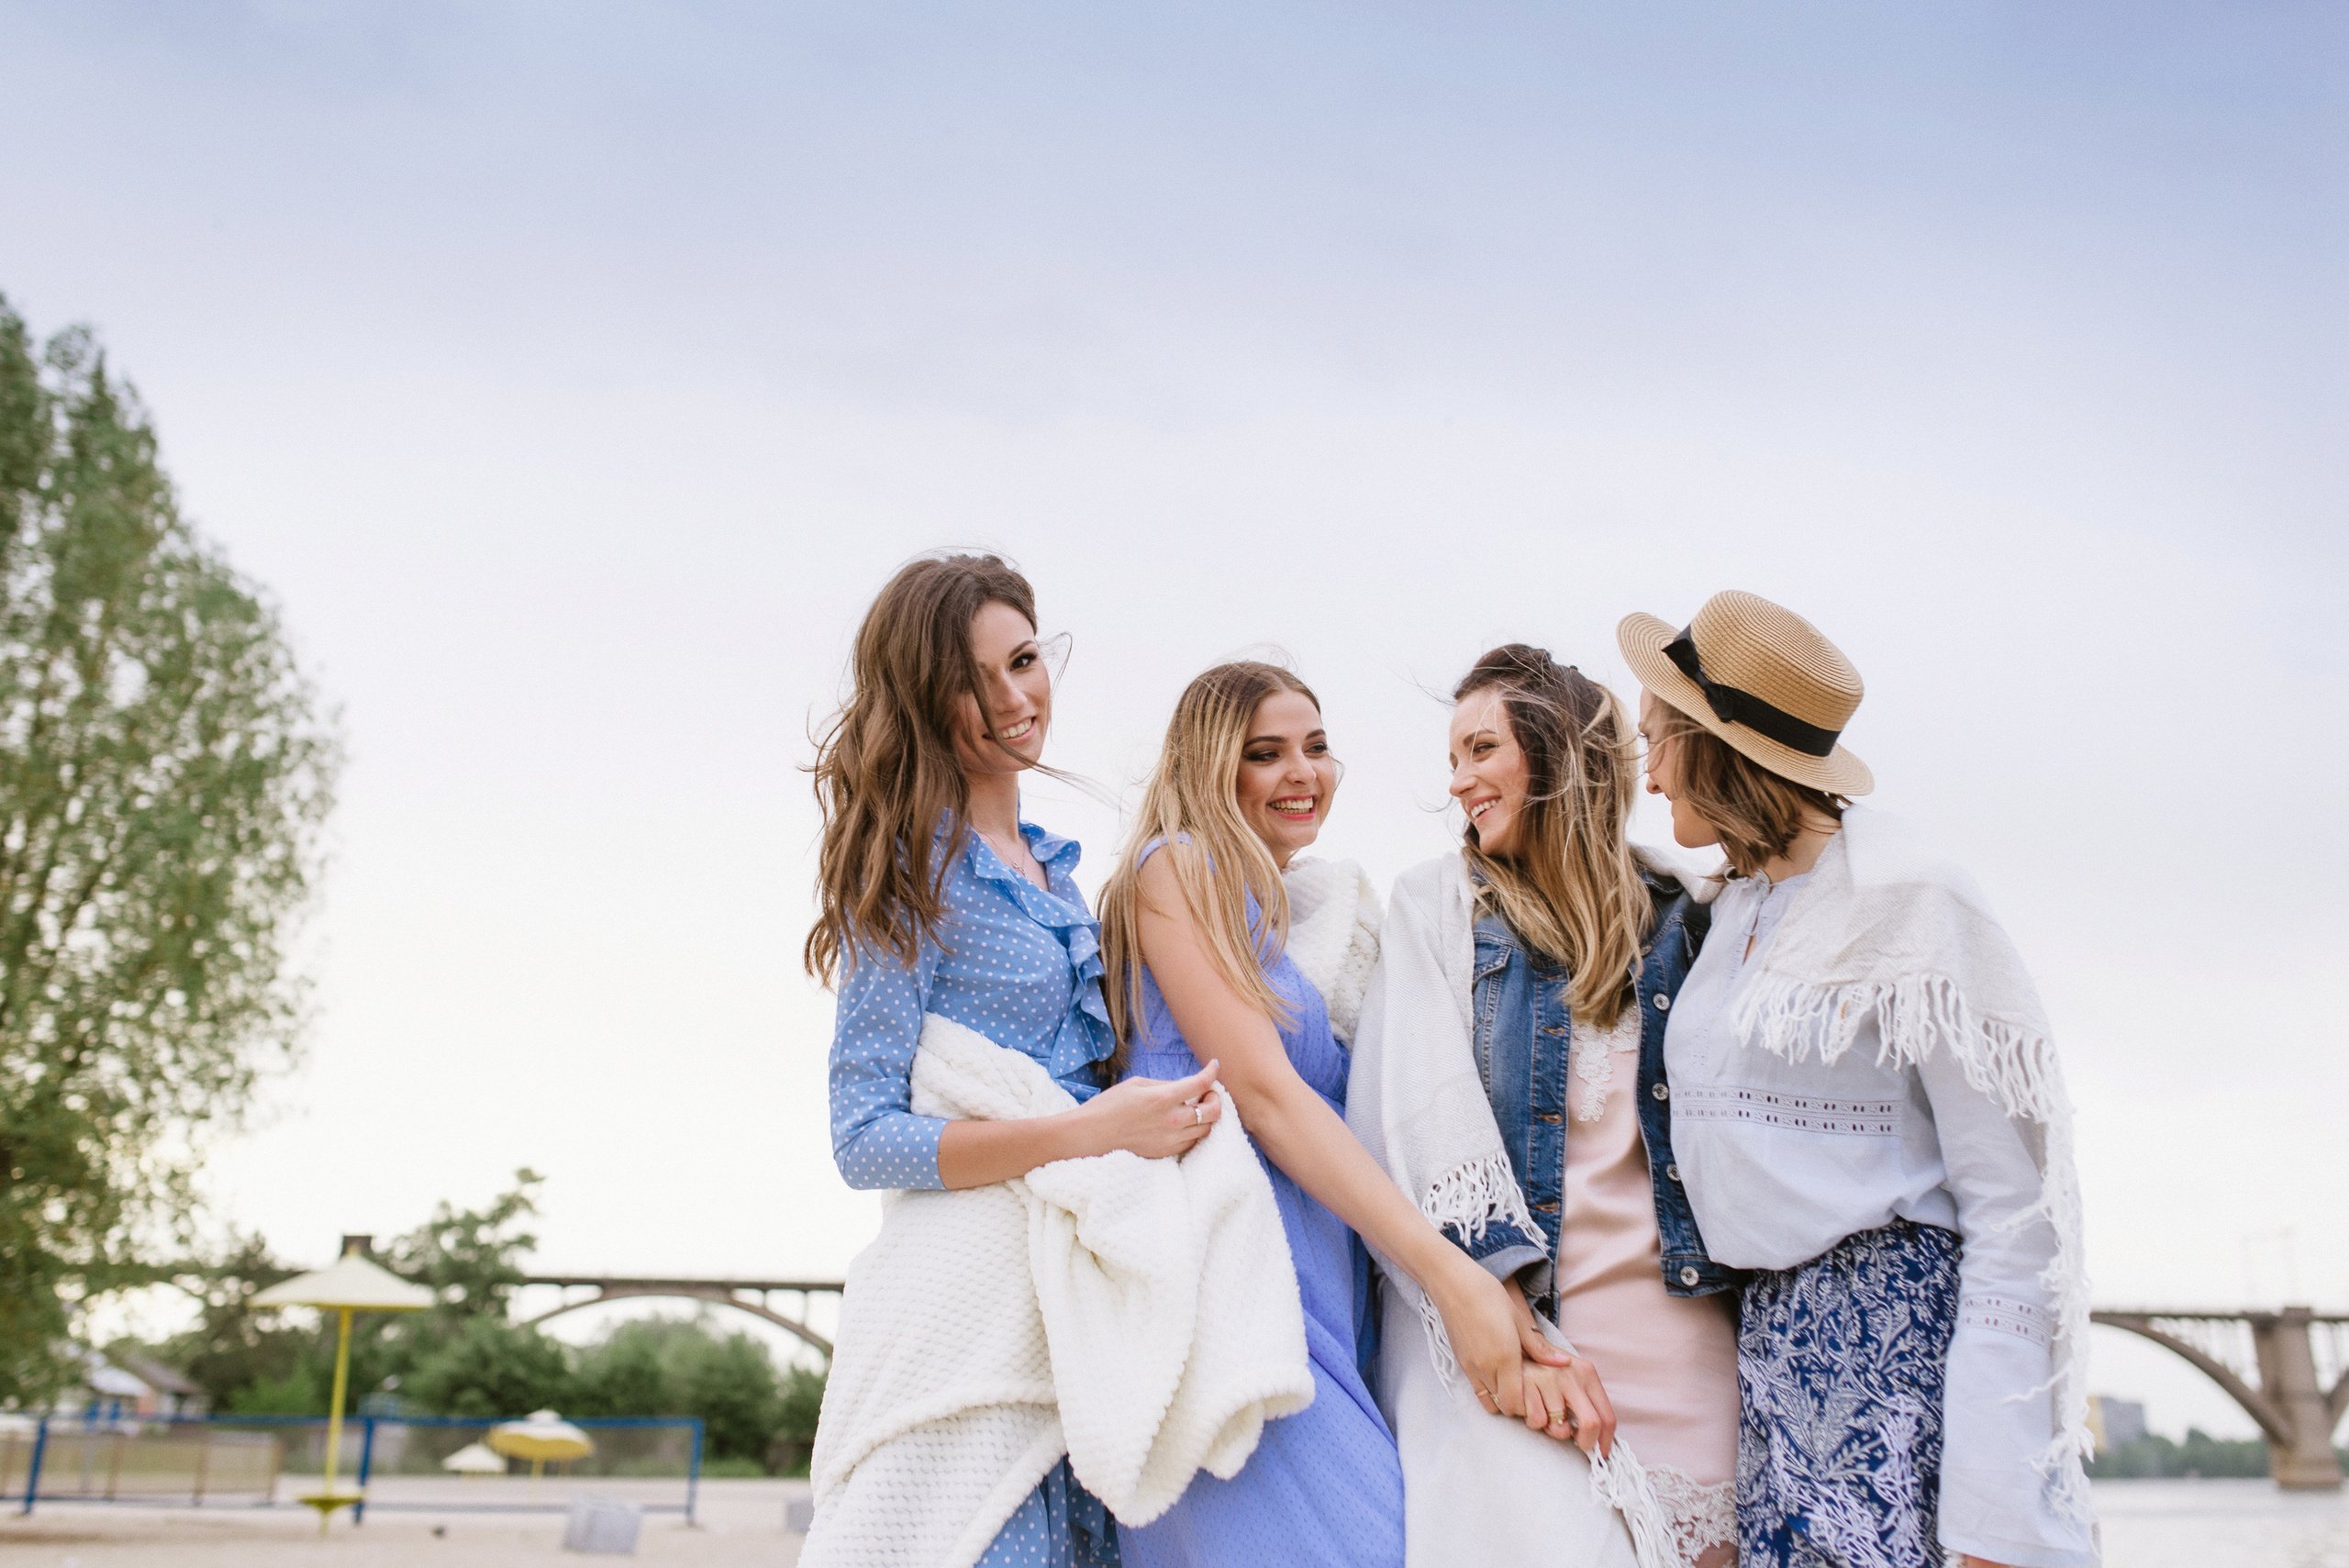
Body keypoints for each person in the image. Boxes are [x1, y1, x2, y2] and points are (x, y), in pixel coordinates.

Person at [1619, 590, 2095, 1568]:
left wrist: (1994, 1516)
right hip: (1768, 1347)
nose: (1651, 771)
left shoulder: (1913, 898)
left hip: (1895, 1346)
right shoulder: (1720, 917)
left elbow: (2016, 1207)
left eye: (1660, 739)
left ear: (1719, 746)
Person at [1097, 661, 1608, 1568]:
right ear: (1207, 766)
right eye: (1266, 753)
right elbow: (1264, 1093)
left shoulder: (1270, 920)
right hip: (1233, 1315)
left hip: (1310, 1307)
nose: (1304, 771)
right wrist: (1456, 1278)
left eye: (1318, 747)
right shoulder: (1176, 866)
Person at [810, 552, 1229, 1568]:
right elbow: (862, 1136)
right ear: (920, 698)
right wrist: (1088, 1131)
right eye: (971, 677)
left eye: (1025, 659)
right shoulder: (906, 875)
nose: (1012, 696)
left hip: (1068, 1308)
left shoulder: (1059, 866)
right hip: (964, 1303)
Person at [1348, 645, 1739, 1568]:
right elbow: (1410, 1116)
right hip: (1520, 1334)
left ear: (1558, 751)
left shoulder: (1688, 915)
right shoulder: (1437, 907)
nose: (1460, 782)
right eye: (1452, 759)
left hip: (1683, 1342)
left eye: (1481, 748)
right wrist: (1508, 1318)